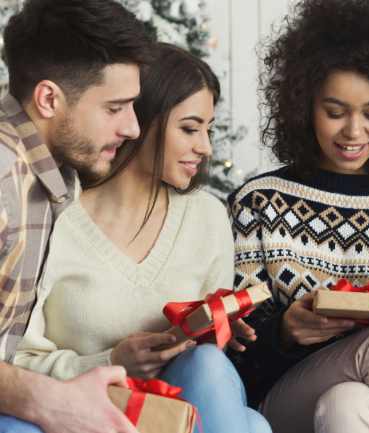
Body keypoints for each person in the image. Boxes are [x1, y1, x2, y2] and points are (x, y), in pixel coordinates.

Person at [13, 43, 271, 433]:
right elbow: (15, 360)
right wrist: (110, 361)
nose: (205, 147)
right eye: (189, 128)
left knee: (210, 369)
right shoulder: (54, 218)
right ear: (141, 120)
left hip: (180, 413)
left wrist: (213, 329)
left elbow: (207, 374)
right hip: (82, 413)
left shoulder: (207, 217)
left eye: (208, 129)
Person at [227, 1, 369, 432]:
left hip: (364, 401)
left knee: (347, 404)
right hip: (279, 401)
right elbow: (233, 356)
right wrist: (285, 332)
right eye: (335, 112)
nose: (355, 131)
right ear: (302, 105)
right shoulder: (258, 203)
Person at [0, 0, 156, 431]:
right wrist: (51, 402)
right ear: (48, 98)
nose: (132, 129)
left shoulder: (49, 173)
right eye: (114, 108)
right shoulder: (3, 179)